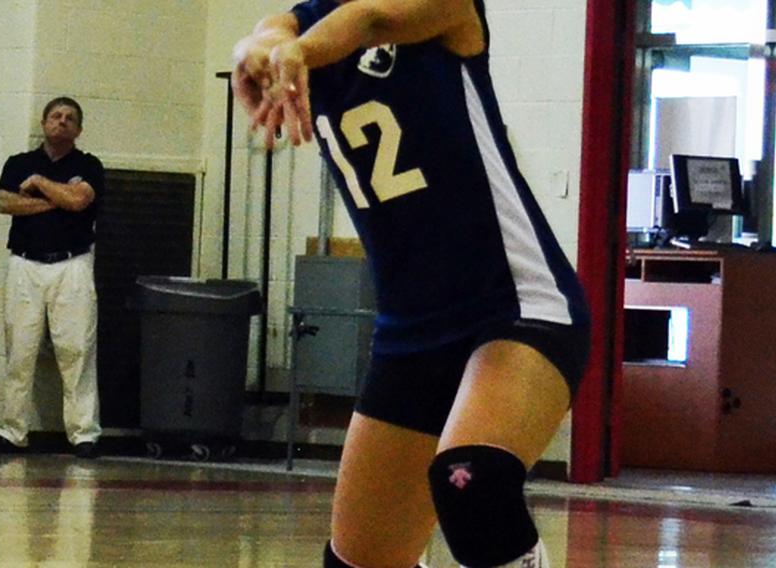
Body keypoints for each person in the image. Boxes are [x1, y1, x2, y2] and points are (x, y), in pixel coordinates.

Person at [233, 1, 591, 567]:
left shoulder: (440, 8)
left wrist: (293, 53)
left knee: (471, 483)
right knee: (359, 559)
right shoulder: (309, 23)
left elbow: (369, 21)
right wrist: (255, 53)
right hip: (411, 334)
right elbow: (275, 30)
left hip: (516, 308)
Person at [0, 96, 104, 460]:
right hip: (25, 265)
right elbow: (5, 202)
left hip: (72, 265)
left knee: (77, 350)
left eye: (70, 118)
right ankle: (12, 431)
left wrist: (39, 183)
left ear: (79, 129)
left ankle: (84, 434)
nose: (62, 122)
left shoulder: (89, 165)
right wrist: (59, 199)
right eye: (56, 116)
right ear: (44, 122)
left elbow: (81, 200)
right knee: (20, 350)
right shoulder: (18, 162)